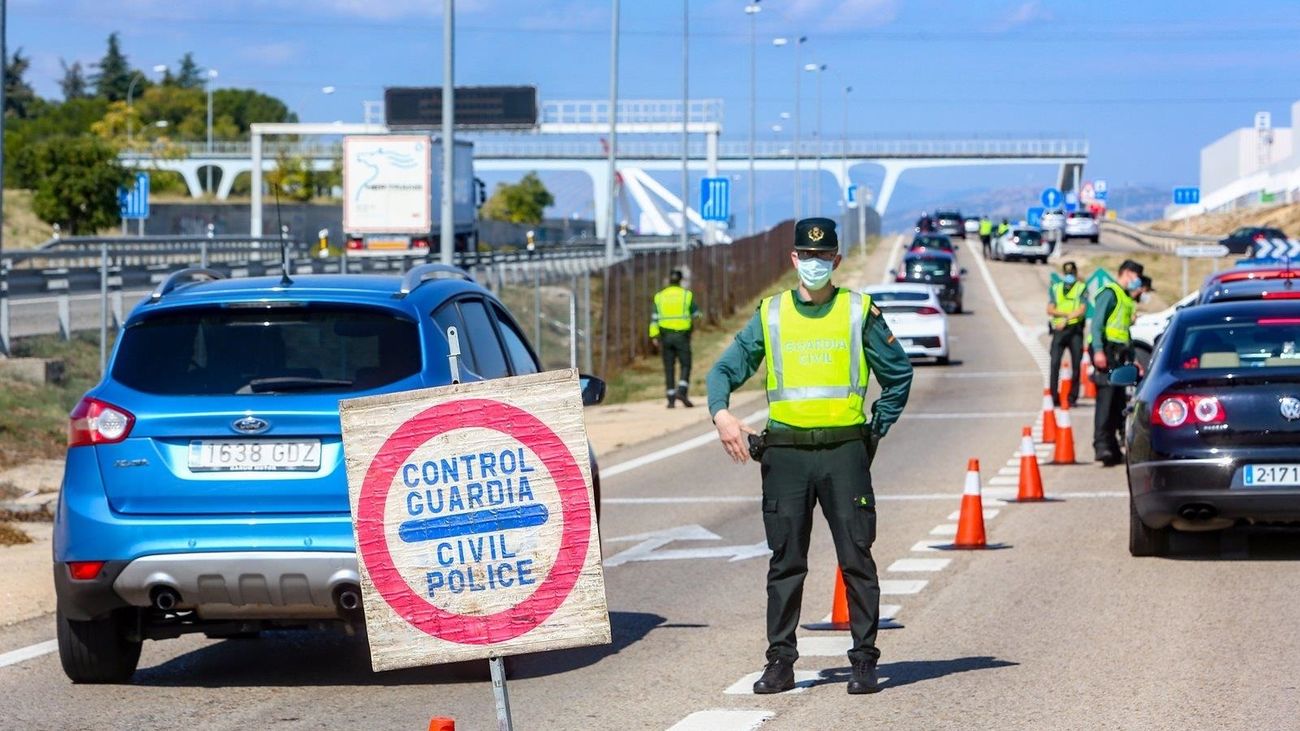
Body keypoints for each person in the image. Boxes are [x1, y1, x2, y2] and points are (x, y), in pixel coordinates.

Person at [706, 217, 914, 696]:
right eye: (807, 256)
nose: (815, 264)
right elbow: (724, 370)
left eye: (824, 257)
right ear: (793, 259)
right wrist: (721, 415)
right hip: (787, 457)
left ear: (836, 260)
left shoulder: (858, 310)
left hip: (844, 453)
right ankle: (780, 661)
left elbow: (898, 374)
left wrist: (873, 431)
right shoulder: (772, 313)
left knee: (856, 558)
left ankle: (864, 661)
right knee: (785, 564)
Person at [1090, 259, 1145, 466]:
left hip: (1120, 355)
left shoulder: (1124, 297)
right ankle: (1102, 446)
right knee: (1105, 401)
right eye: (1136, 276)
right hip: (1106, 351)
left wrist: (1134, 360)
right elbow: (1096, 325)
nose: (1137, 281)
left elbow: (1124, 334)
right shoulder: (1110, 293)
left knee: (1117, 402)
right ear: (1128, 273)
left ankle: (1113, 448)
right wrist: (1097, 351)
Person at [650, 268, 701, 408]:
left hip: (665, 336)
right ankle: (682, 390)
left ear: (669, 280)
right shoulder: (686, 295)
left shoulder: (659, 296)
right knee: (685, 364)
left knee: (668, 366)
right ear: (680, 280)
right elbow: (696, 314)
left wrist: (654, 336)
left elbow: (654, 318)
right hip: (682, 335)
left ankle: (671, 398)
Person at [1047, 262, 1087, 408]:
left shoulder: (1081, 288)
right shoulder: (1056, 288)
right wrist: (1065, 315)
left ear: (1076, 273)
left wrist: (1066, 318)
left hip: (1075, 330)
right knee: (1054, 363)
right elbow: (1050, 309)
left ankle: (1072, 397)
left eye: (1072, 273)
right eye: (1067, 274)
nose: (1070, 276)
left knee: (1076, 364)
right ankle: (1053, 396)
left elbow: (1082, 309)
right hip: (1060, 330)